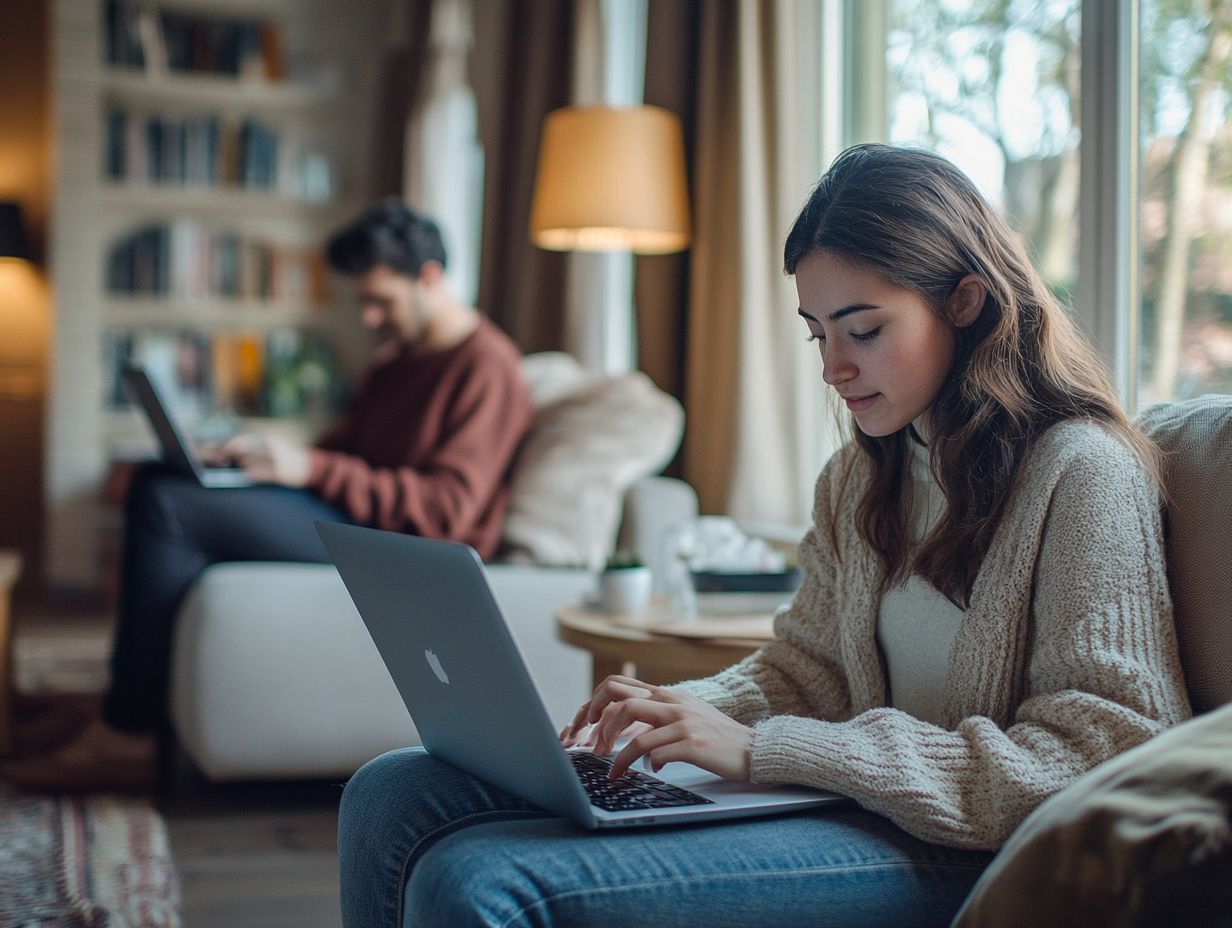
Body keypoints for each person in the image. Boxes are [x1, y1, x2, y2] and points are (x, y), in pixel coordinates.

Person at [333, 145, 1192, 928]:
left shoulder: (1083, 472)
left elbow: (1107, 751)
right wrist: (681, 714)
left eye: (864, 330)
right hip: (855, 807)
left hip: (975, 853)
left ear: (964, 303)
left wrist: (766, 749)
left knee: (475, 882)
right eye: (818, 334)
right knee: (392, 790)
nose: (833, 368)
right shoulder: (863, 476)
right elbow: (807, 671)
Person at [3, 200, 534, 792]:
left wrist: (311, 467)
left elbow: (447, 511)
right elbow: (350, 449)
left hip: (399, 547)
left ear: (429, 278)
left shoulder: (487, 367)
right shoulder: (399, 362)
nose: (368, 317)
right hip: (352, 513)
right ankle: (122, 707)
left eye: (379, 300)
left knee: (169, 506)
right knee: (159, 478)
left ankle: (128, 736)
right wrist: (266, 459)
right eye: (362, 300)